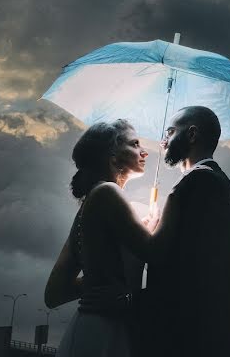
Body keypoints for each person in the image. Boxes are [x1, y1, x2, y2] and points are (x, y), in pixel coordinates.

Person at [44, 119, 155, 357]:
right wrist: (158, 224)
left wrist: (99, 283)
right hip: (105, 329)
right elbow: (157, 252)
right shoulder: (108, 192)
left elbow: (55, 293)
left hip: (92, 326)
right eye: (135, 144)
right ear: (113, 155)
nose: (144, 151)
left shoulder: (88, 205)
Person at [142, 105, 230, 357]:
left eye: (170, 131)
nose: (163, 141)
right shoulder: (216, 180)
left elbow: (159, 255)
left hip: (186, 335)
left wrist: (148, 230)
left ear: (192, 134)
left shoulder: (197, 182)